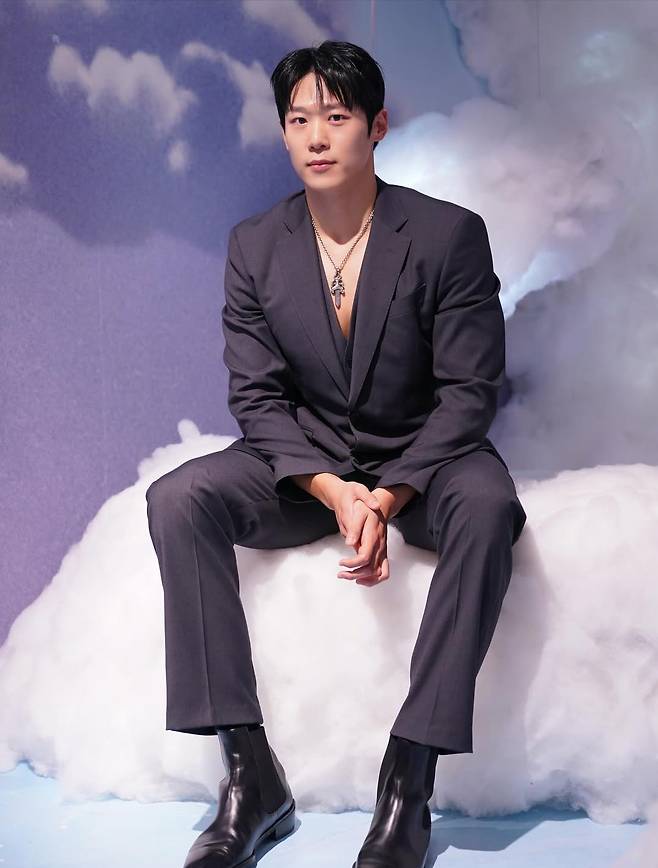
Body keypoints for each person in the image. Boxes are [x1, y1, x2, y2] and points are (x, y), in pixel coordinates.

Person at [146, 39, 527, 868]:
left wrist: (387, 495)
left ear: (377, 126)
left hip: (425, 457)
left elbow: (470, 391)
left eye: (337, 116)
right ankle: (250, 776)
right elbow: (256, 397)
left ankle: (409, 779)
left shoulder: (448, 235)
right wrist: (331, 489)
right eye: (298, 120)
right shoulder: (255, 244)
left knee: (490, 506)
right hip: (306, 466)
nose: (316, 136)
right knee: (178, 497)